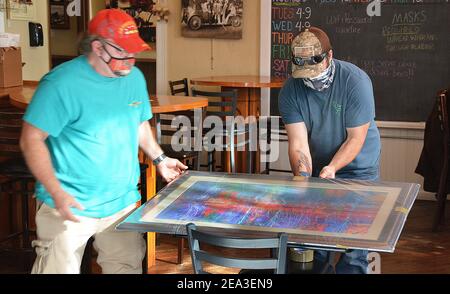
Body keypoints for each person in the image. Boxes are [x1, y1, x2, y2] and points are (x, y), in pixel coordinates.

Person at [20, 9, 188, 274]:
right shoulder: (60, 83)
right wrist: (56, 191)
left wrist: (160, 158)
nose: (131, 60)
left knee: (125, 269)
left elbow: (138, 122)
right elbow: (31, 140)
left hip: (121, 201)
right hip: (68, 204)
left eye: (134, 52)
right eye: (123, 52)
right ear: (98, 47)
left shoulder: (133, 78)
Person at [278, 27, 381, 274]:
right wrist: (303, 181)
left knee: (354, 251)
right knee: (314, 245)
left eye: (314, 70)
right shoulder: (290, 90)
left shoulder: (355, 82)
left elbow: (355, 139)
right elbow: (299, 144)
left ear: (329, 56)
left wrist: (333, 168)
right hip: (317, 169)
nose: (310, 79)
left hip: (359, 171)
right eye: (304, 73)